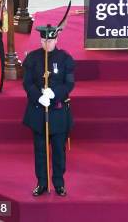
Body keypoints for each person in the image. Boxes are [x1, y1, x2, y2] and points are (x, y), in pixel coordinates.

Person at [23, 21, 75, 197]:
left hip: (58, 113)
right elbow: (27, 83)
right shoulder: (32, 58)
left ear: (56, 39)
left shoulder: (65, 59)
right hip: (39, 112)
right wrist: (39, 97)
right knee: (40, 151)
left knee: (59, 151)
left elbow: (69, 83)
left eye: (50, 41)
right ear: (40, 41)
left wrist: (54, 94)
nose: (47, 44)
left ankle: (59, 183)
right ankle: (42, 183)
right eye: (44, 41)